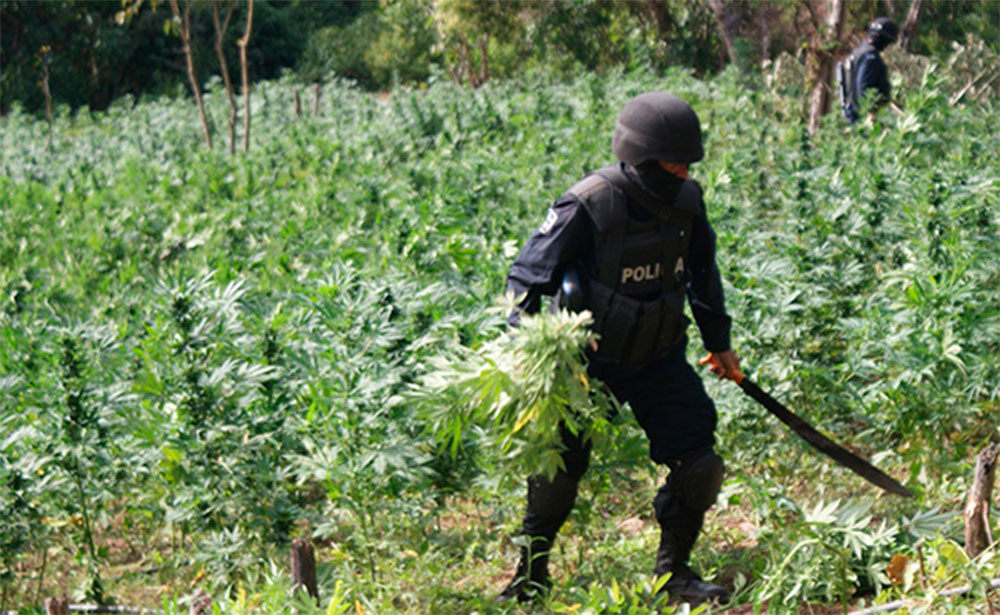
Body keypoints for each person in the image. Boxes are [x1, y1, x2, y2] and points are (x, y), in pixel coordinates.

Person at [499, 92, 741, 605]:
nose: (680, 171)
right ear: (641, 156)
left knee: (698, 460)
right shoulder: (588, 204)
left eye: (686, 163)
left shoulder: (688, 203)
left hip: (659, 356)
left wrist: (720, 345)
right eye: (671, 162)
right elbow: (525, 280)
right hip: (587, 367)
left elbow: (702, 273)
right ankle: (530, 575)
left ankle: (673, 576)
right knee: (556, 471)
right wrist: (526, 347)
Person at [839, 17, 899, 123]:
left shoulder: (857, 52)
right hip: (861, 118)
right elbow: (863, 88)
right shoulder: (870, 57)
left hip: (852, 113)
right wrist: (871, 116)